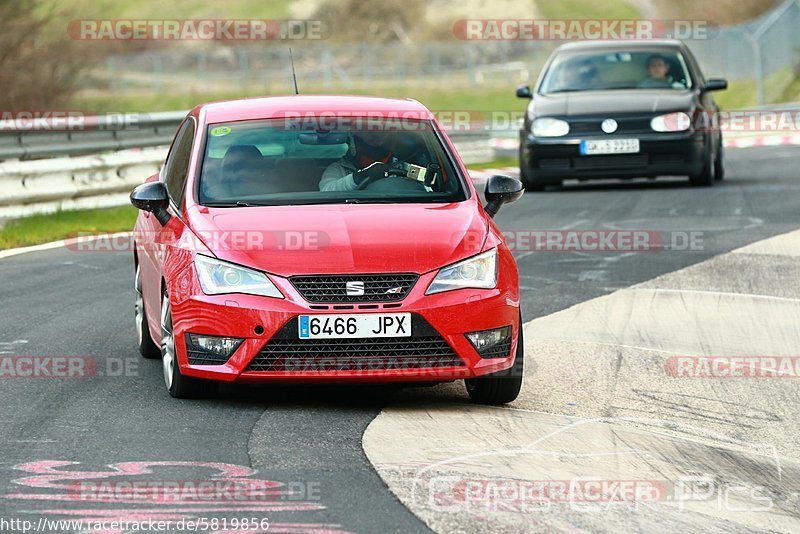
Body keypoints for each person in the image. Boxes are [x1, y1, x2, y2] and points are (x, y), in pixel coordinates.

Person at [319, 130, 405, 192]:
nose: (379, 143)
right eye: (372, 139)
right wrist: (358, 177)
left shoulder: (403, 167)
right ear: (354, 143)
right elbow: (326, 191)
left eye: (383, 139)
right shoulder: (340, 168)